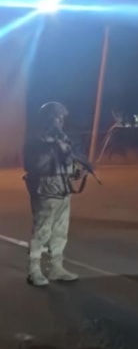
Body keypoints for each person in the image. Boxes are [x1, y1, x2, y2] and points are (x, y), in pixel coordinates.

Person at [23, 101, 84, 287]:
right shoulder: (36, 140)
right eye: (57, 117)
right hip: (46, 190)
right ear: (47, 119)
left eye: (62, 118)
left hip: (63, 189)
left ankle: (56, 268)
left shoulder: (62, 138)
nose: (60, 121)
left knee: (60, 231)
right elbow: (36, 165)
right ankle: (34, 270)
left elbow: (68, 160)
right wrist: (54, 146)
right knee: (42, 231)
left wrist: (75, 170)